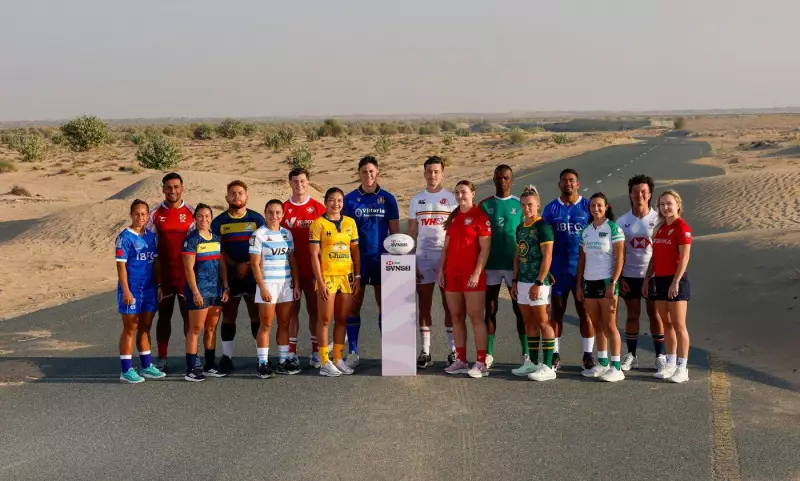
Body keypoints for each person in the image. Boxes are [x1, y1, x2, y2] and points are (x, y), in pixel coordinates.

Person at [342, 156, 399, 367]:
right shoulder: (349, 199)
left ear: (378, 173)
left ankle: (390, 352)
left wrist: (397, 262)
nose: (368, 175)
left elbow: (395, 234)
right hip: (356, 261)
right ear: (359, 173)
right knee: (353, 305)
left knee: (385, 305)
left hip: (382, 260)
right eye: (364, 171)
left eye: (371, 171)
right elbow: (344, 234)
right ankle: (353, 352)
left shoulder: (388, 199)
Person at [439, 180, 492, 379]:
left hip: (472, 276)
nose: (460, 196)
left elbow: (485, 249)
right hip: (453, 275)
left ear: (473, 193)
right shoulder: (453, 217)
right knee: (456, 317)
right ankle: (461, 360)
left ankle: (481, 362)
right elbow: (446, 248)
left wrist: (477, 273)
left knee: (476, 318)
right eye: (457, 192)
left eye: (464, 192)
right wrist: (441, 271)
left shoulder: (480, 217)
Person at [212, 180, 266, 375]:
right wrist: (236, 266)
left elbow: (264, 247)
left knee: (256, 316)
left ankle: (261, 358)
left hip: (253, 275)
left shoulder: (257, 219)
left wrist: (248, 266)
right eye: (233, 193)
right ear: (227, 197)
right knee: (228, 316)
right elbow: (217, 249)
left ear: (246, 196)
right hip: (230, 275)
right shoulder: (219, 222)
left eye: (240, 193)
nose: (237, 196)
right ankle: (227, 357)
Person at [408, 156, 458, 368]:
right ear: (424, 173)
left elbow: (456, 233)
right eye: (429, 171)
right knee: (424, 304)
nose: (432, 175)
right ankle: (425, 351)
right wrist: (412, 260)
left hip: (445, 258)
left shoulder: (451, 199)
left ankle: (453, 350)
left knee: (449, 305)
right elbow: (412, 232)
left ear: (442, 174)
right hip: (423, 257)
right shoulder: (416, 200)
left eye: (436, 171)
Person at [542, 168, 593, 370]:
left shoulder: (588, 206)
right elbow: (543, 240)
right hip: (558, 271)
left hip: (583, 271)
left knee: (585, 313)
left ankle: (588, 355)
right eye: (564, 180)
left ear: (578, 184)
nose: (568, 184)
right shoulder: (551, 208)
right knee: (557, 314)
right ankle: (555, 354)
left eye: (572, 180)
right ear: (559, 184)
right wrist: (546, 268)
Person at [309, 188, 361, 377]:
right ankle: (324, 362)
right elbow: (314, 255)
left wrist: (357, 276)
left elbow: (355, 251)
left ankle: (338, 358)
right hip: (327, 277)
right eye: (332, 200)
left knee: (342, 319)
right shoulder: (318, 224)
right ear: (325, 202)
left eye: (339, 200)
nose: (336, 204)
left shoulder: (350, 222)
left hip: (346, 276)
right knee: (324, 319)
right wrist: (320, 281)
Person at [147, 172, 195, 371]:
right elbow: (148, 245)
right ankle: (162, 358)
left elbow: (198, 244)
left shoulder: (192, 212)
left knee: (188, 318)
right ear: (163, 189)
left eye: (176, 187)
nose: (172, 191)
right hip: (164, 276)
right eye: (169, 187)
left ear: (182, 188)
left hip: (185, 276)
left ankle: (192, 358)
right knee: (163, 317)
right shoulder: (155, 213)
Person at [115, 199, 167, 383]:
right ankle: (126, 370)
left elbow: (156, 263)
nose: (140, 217)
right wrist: (126, 291)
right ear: (131, 215)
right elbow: (121, 266)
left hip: (149, 289)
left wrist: (159, 286)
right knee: (131, 327)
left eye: (144, 214)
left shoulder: (151, 237)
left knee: (145, 327)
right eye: (137, 214)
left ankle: (146, 366)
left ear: (148, 216)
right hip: (132, 289)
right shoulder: (124, 237)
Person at [576, 193, 625, 382]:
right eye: (592, 206)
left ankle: (616, 367)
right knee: (597, 325)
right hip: (589, 282)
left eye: (599, 205)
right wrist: (579, 284)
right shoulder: (586, 230)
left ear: (606, 207)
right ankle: (603, 363)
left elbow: (620, 258)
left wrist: (613, 282)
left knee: (610, 325)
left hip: (606, 282)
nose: (596, 209)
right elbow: (582, 259)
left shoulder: (613, 228)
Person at [510, 186, 558, 381]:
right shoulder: (520, 228)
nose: (526, 208)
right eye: (523, 205)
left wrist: (538, 282)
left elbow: (548, 257)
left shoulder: (543, 227)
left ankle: (548, 366)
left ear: (537, 205)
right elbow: (517, 255)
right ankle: (532, 363)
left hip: (538, 282)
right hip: (522, 281)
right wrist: (514, 280)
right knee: (528, 322)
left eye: (530, 205)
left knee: (543, 321)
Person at [616, 175, 664, 371]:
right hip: (630, 275)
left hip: (653, 276)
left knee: (655, 316)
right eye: (635, 191)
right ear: (630, 194)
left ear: (650, 194)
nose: (639, 195)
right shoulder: (622, 221)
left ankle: (660, 356)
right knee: (632, 315)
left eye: (643, 191)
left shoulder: (659, 219)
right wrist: (620, 278)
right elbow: (617, 253)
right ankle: (631, 355)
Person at [644, 190, 692, 383]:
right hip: (661, 280)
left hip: (676, 280)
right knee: (666, 324)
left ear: (678, 205)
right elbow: (654, 258)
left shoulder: (682, 227)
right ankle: (670, 363)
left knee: (679, 325)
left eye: (669, 203)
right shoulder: (660, 228)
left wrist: (676, 281)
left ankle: (682, 367)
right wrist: (647, 278)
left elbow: (685, 257)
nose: (665, 207)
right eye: (662, 204)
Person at [249, 200, 301, 378]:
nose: (274, 216)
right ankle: (263, 362)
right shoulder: (259, 235)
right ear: (265, 213)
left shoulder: (287, 234)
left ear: (283, 215)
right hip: (268, 284)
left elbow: (292, 261)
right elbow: (255, 264)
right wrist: (262, 287)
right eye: (270, 212)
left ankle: (283, 360)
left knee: (284, 323)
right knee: (266, 325)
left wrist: (296, 284)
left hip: (285, 284)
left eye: (278, 212)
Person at [480, 164, 524, 369]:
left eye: (506, 178)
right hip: (491, 265)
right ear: (493, 179)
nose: (502, 181)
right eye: (498, 178)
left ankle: (526, 353)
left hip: (514, 266)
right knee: (490, 308)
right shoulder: (485, 205)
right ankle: (488, 353)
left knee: (519, 309)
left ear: (511, 180)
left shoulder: (519, 204)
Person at [282, 168, 326, 368]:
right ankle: (291, 352)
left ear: (308, 183)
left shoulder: (318, 208)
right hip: (289, 271)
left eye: (302, 181)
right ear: (289, 183)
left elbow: (326, 242)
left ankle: (316, 351)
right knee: (291, 312)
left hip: (313, 270)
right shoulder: (283, 209)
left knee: (314, 311)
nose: (299, 185)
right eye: (295, 181)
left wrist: (322, 272)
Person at [181, 204, 229, 382]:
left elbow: (222, 265)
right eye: (200, 216)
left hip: (215, 291)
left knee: (211, 328)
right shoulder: (191, 240)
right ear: (195, 218)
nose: (204, 219)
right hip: (199, 291)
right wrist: (195, 292)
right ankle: (191, 369)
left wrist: (226, 287)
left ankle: (209, 365)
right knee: (195, 329)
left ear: (211, 218)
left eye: (207, 216)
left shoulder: (216, 238)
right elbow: (188, 269)